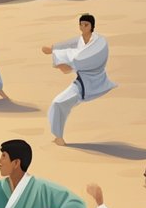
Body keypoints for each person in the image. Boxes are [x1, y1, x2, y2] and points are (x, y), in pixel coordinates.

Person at [43, 13, 116, 145]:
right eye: (81, 24)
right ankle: (58, 137)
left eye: (86, 24)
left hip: (94, 80)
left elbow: (90, 58)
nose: (83, 27)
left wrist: (70, 62)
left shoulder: (99, 42)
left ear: (92, 26)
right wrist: (53, 48)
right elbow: (66, 44)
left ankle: (59, 138)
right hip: (82, 81)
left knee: (59, 103)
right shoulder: (79, 40)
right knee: (58, 103)